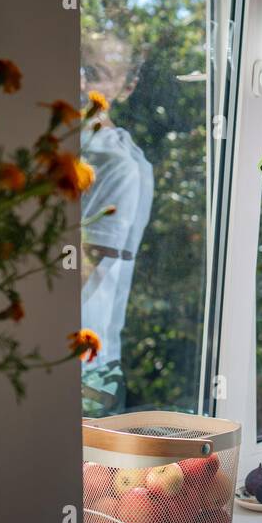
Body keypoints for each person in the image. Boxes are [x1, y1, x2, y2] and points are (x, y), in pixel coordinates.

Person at [80, 33, 154, 416]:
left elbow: (81, 267)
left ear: (126, 88)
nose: (79, 82)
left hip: (83, 372)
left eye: (94, 73)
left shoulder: (120, 166)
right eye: (75, 67)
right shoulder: (74, 144)